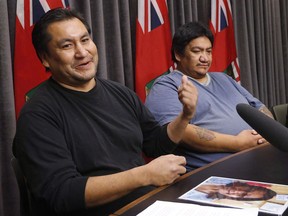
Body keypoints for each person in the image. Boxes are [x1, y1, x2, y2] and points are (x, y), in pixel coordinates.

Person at [12, 8, 198, 216]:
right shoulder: (37, 115)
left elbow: (155, 144)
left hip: (149, 204)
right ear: (45, 58)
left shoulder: (120, 93)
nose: (82, 52)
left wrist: (185, 116)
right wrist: (145, 175)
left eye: (85, 40)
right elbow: (61, 194)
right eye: (67, 45)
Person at [145, 21, 274, 171]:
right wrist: (237, 143)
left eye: (209, 51)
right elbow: (180, 131)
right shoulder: (166, 85)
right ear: (178, 54)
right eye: (197, 51)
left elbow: (259, 107)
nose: (205, 58)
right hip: (215, 174)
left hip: (262, 158)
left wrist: (267, 132)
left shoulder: (224, 78)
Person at [196, 181, 277, 201]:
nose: (238, 192)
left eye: (243, 195)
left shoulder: (203, 199)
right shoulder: (218, 179)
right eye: (247, 189)